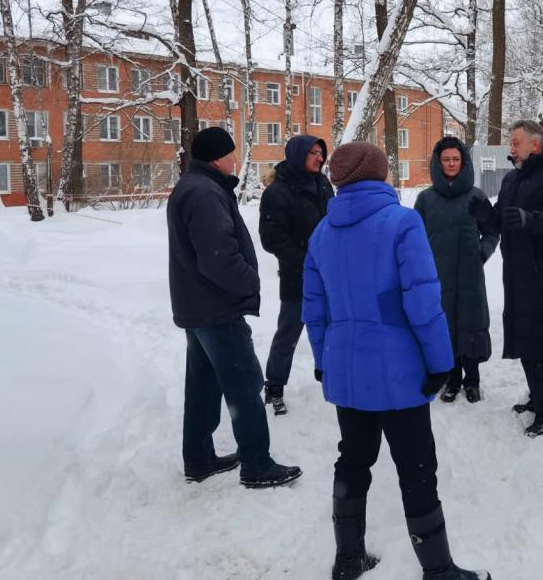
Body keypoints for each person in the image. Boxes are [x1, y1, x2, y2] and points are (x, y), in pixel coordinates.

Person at [303, 142, 491, 580]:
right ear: (378, 174)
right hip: (398, 373)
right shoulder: (402, 223)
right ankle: (438, 570)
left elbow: (315, 308)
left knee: (353, 460)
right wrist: (441, 363)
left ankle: (348, 559)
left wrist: (323, 360)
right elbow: (423, 303)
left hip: (347, 371)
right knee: (417, 467)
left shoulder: (322, 232)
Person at [167, 126, 301, 489]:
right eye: (231, 153)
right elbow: (218, 257)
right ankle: (257, 465)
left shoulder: (194, 186)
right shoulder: (205, 193)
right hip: (217, 308)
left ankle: (199, 459)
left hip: (198, 305)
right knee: (244, 384)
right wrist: (250, 281)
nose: (235, 159)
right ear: (217, 158)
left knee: (203, 386)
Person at [469, 120, 543, 437]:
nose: (511, 147)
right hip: (519, 276)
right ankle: (537, 398)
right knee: (527, 340)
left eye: (515, 142)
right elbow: (503, 220)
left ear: (535, 144)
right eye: (510, 142)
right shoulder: (513, 178)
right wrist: (485, 214)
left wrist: (531, 220)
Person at [414, 137, 499, 404]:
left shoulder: (477, 196)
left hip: (470, 275)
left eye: (455, 159)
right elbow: (415, 238)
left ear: (463, 162)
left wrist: (482, 253)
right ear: (438, 163)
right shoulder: (425, 199)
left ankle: (472, 381)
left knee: (470, 325)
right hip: (438, 276)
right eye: (446, 159)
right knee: (445, 327)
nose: (451, 164)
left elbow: (492, 231)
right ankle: (451, 380)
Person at [258, 134, 334, 415]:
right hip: (298, 277)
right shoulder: (277, 192)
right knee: (289, 332)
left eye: (321, 152)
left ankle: (331, 375)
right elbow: (272, 239)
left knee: (332, 328)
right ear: (298, 155)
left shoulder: (323, 183)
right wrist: (307, 262)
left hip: (330, 274)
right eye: (313, 152)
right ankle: (274, 386)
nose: (319, 158)